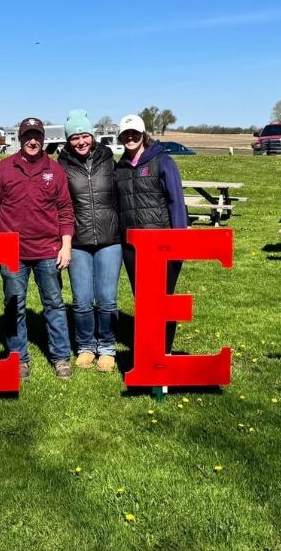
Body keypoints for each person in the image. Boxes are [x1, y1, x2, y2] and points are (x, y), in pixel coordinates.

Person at [0, 117, 75, 380]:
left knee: (54, 305)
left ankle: (60, 357)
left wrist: (65, 245)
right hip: (12, 252)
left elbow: (66, 211)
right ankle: (19, 359)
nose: (32, 141)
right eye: (27, 136)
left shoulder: (55, 171)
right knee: (14, 306)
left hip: (48, 250)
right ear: (20, 139)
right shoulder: (3, 169)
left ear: (43, 140)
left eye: (37, 136)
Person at [114, 113, 188, 352]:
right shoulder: (120, 168)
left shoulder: (162, 161)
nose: (130, 137)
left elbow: (176, 202)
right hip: (133, 248)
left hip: (162, 244)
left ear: (143, 134)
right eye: (126, 134)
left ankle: (163, 349)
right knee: (144, 302)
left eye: (134, 133)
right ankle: (149, 348)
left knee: (163, 301)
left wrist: (179, 242)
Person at [58, 109, 122, 372]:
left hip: (110, 239)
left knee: (107, 298)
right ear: (68, 140)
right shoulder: (61, 165)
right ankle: (85, 345)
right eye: (75, 137)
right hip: (79, 240)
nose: (81, 141)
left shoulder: (109, 160)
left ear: (92, 136)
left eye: (84, 135)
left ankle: (107, 347)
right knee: (82, 299)